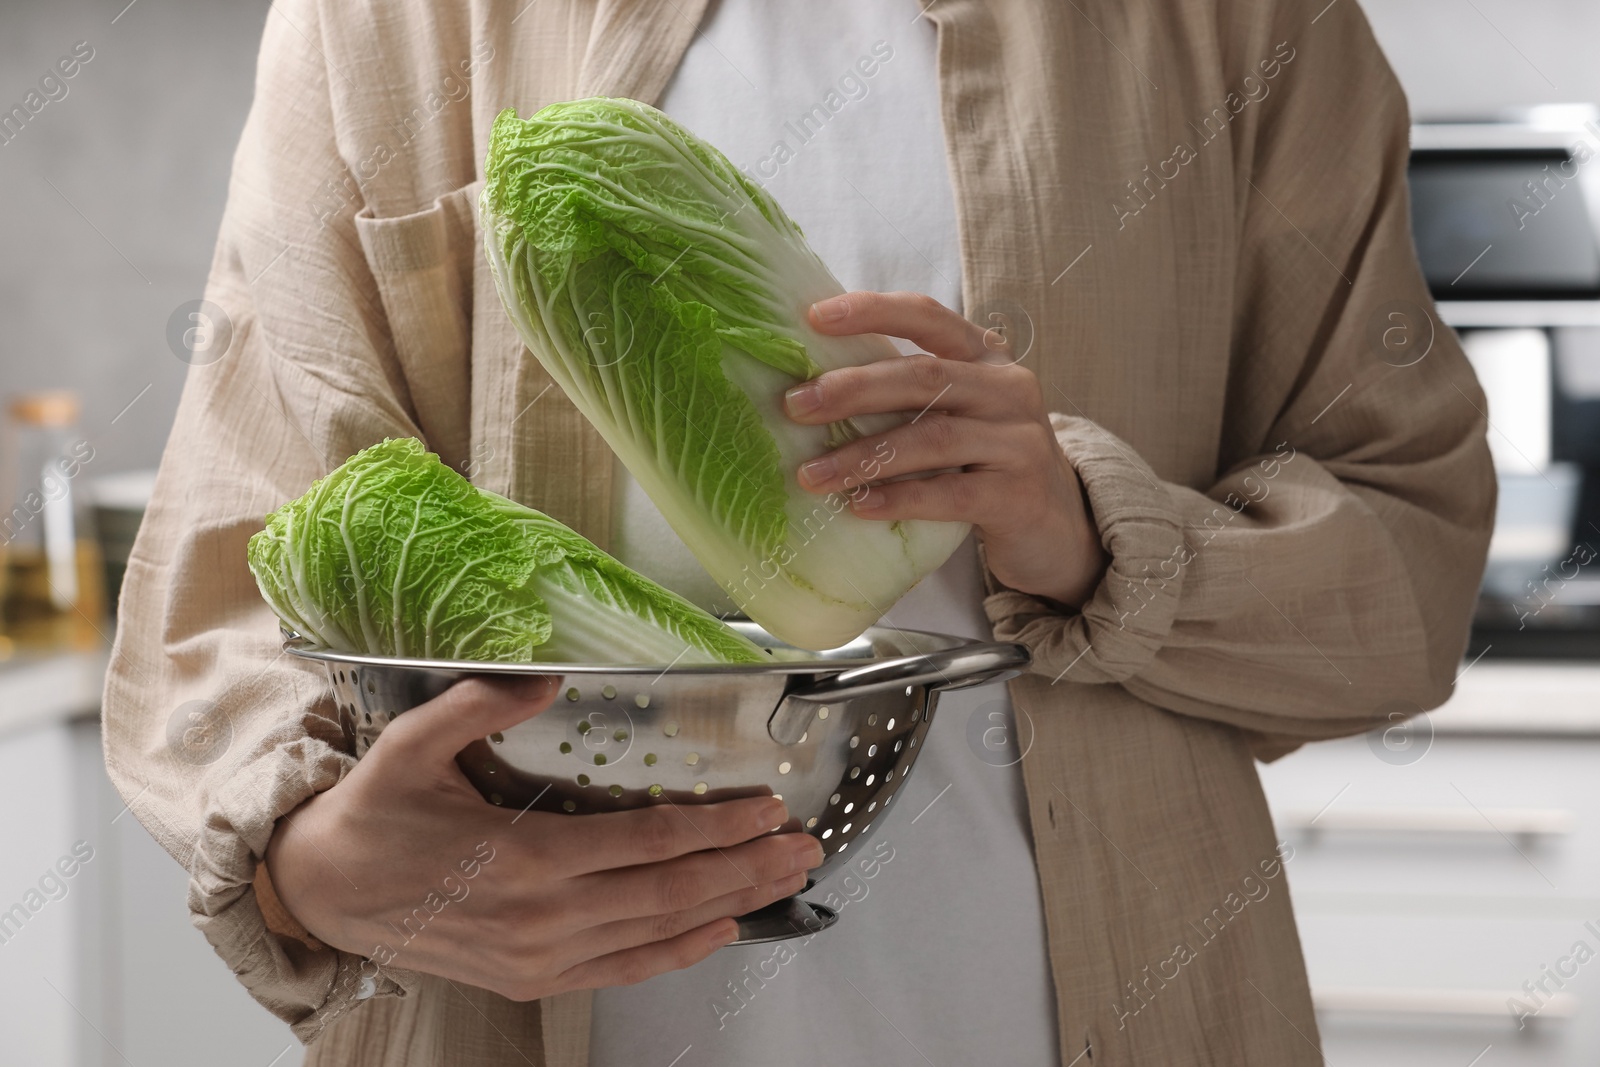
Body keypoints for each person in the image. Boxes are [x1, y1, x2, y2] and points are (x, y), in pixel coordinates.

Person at [102, 0, 1495, 1064]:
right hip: (508, 1016)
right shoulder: (394, 22)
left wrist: (1089, 536)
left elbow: (1409, 568)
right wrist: (313, 865)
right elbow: (224, 577)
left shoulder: (1236, 28)